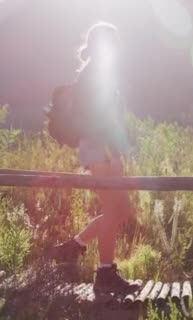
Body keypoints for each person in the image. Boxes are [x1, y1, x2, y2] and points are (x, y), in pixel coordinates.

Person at [49, 21, 138, 294]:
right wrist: (114, 152)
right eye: (113, 42)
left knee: (121, 210)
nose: (117, 47)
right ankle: (105, 272)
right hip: (100, 148)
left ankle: (74, 247)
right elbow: (100, 119)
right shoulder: (95, 74)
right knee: (114, 210)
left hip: (103, 147)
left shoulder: (97, 72)